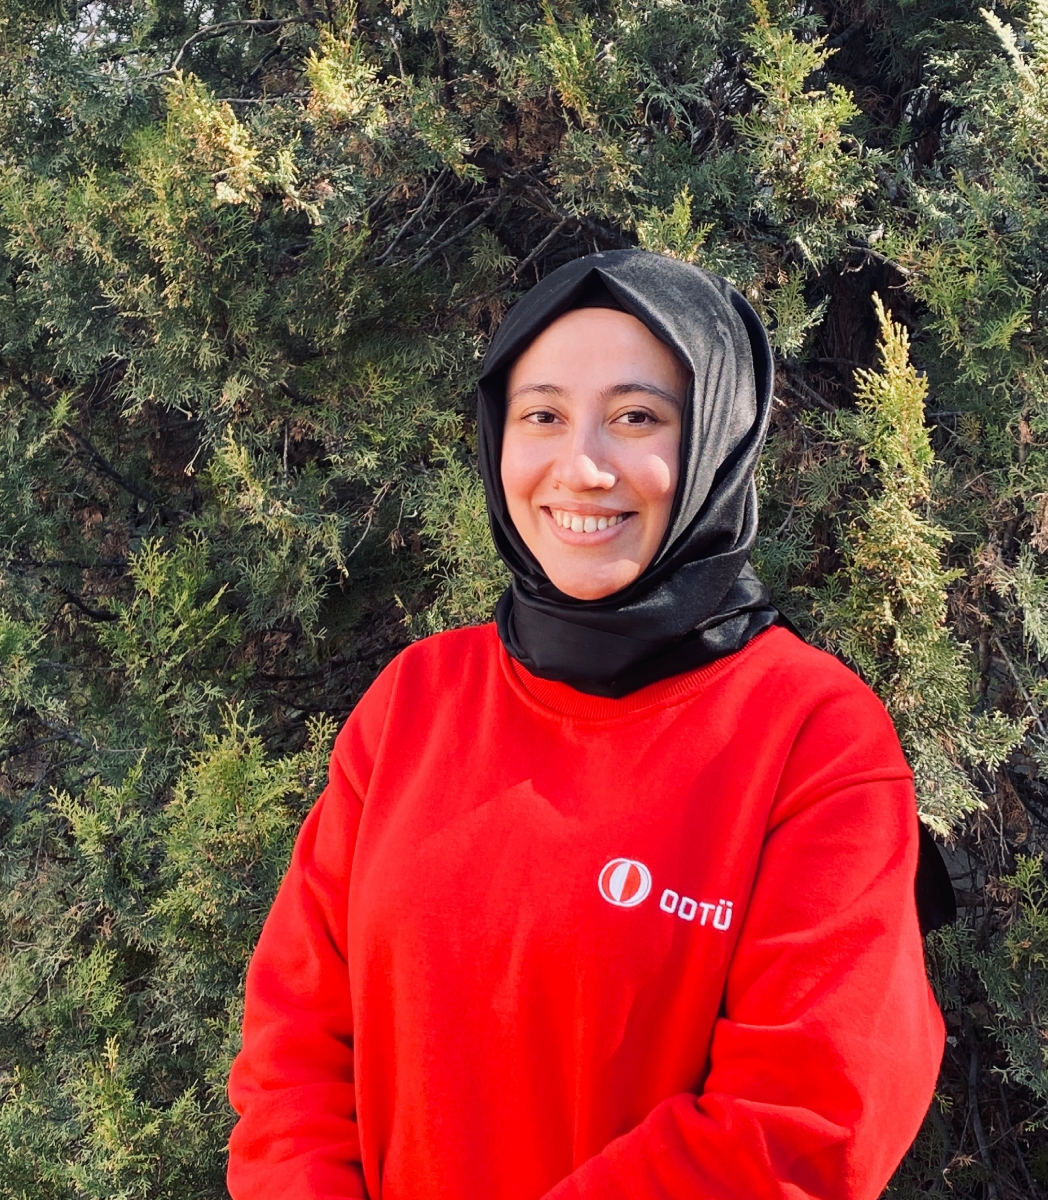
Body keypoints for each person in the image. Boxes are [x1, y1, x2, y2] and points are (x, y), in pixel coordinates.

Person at [226, 250, 945, 1200]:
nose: (582, 466)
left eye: (637, 416)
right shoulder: (415, 701)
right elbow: (293, 1045)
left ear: (717, 439)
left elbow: (804, 1120)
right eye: (543, 416)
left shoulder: (813, 737)